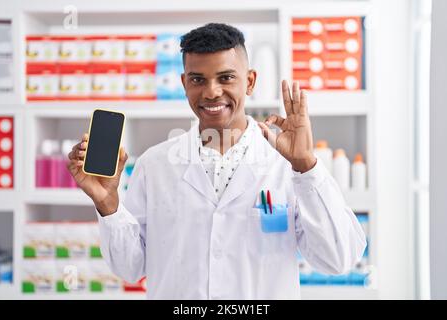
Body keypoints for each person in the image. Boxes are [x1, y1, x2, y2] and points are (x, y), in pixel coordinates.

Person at [67, 23, 366, 299]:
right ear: (184, 83)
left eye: (226, 78)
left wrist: (306, 167)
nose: (211, 92)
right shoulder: (155, 164)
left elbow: (338, 259)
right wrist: (108, 206)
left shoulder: (285, 165)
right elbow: (130, 268)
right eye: (198, 79)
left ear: (249, 82)